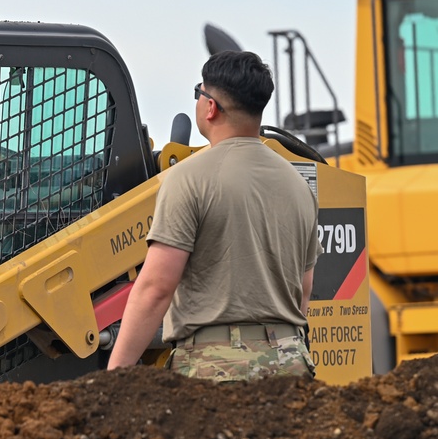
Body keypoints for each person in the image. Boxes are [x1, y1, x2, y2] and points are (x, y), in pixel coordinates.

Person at [107, 50, 320, 381]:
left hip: (215, 371)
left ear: (210, 106)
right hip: (290, 364)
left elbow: (156, 288)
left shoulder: (188, 179)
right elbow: (303, 290)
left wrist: (114, 378)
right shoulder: (299, 187)